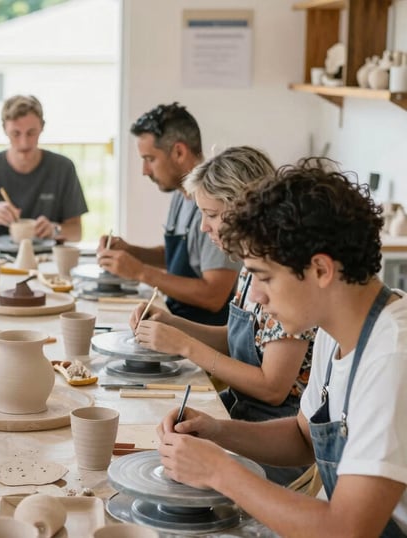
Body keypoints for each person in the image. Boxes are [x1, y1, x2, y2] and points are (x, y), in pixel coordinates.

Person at [157, 161, 407, 537]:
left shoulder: (392, 357)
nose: (256, 295)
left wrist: (220, 471)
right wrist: (216, 431)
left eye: (265, 276)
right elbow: (303, 437)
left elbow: (348, 530)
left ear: (320, 270)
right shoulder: (333, 329)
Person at [130, 146, 315, 485]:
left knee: (173, 482)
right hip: (243, 415)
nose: (203, 227)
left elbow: (273, 389)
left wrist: (186, 347)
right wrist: (171, 322)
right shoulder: (249, 269)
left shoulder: (283, 275)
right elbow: (235, 338)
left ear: (245, 207)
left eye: (211, 214)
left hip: (278, 436)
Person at [97, 102, 240, 325]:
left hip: (204, 334)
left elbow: (213, 295)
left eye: (150, 159)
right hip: (175, 319)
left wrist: (140, 272)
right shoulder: (180, 194)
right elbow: (180, 259)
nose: (144, 171)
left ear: (179, 152)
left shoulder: (216, 206)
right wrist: (131, 252)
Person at [0, 94, 88, 243]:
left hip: (47, 259)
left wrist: (54, 229)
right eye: (16, 133)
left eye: (31, 133)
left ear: (42, 127)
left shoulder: (63, 168)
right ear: (5, 129)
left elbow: (76, 232)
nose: (24, 143)